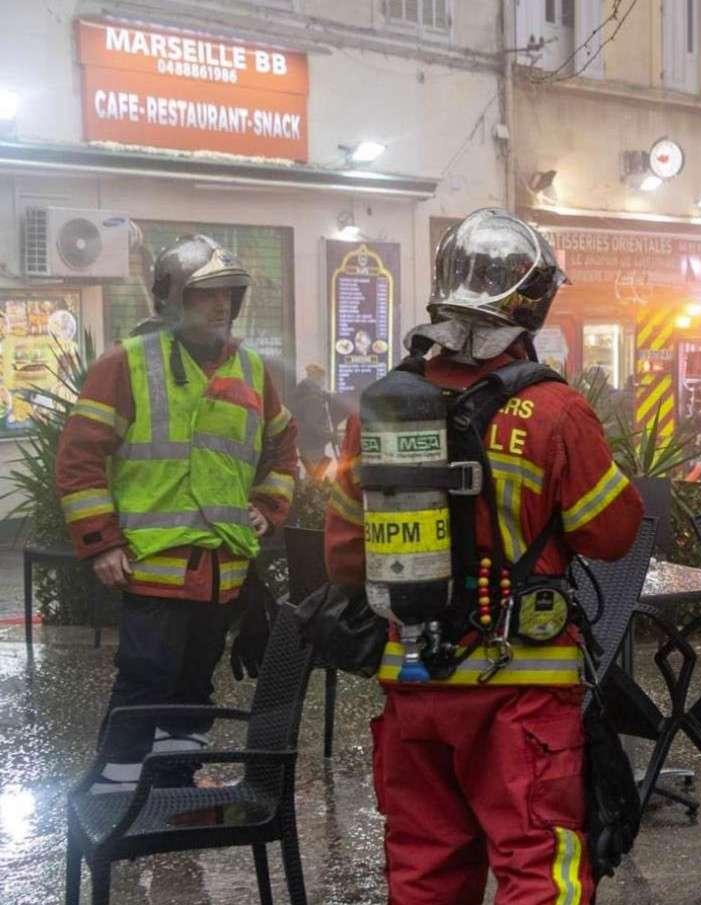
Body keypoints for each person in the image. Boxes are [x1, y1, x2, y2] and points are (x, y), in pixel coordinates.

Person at [324, 208, 643, 904]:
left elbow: (345, 555)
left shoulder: (378, 411)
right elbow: (613, 534)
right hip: (519, 690)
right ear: (534, 303)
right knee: (538, 870)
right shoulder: (555, 410)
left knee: (424, 870)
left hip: (412, 684)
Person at [56, 234, 298, 791]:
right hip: (152, 567)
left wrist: (268, 503)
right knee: (144, 682)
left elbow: (284, 447)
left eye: (230, 295)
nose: (221, 307)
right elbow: (80, 457)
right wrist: (101, 540)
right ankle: (115, 796)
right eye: (206, 295)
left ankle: (175, 788)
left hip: (222, 572)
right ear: (169, 300)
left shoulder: (253, 370)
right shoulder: (126, 363)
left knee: (195, 690)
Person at [287, 362, 336, 478]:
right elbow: (312, 424)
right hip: (314, 442)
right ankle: (313, 494)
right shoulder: (314, 398)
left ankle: (309, 492)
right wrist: (329, 435)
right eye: (322, 379)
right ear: (316, 378)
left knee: (312, 472)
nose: (323, 382)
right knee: (316, 474)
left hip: (303, 440)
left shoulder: (301, 393)